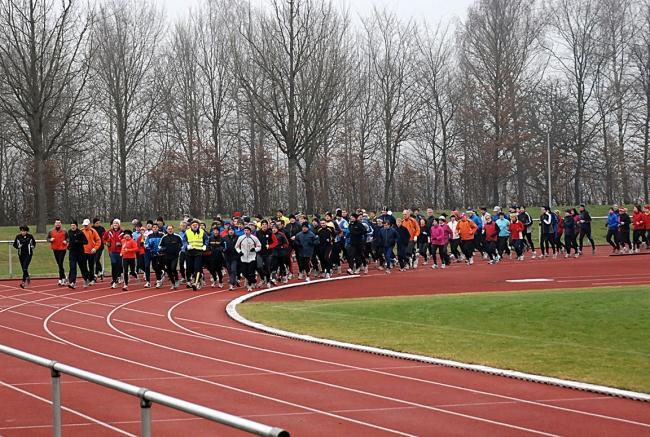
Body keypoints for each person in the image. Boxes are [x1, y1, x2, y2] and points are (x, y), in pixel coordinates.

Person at [236, 225, 261, 291]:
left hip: (252, 257)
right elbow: (236, 247)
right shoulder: (241, 238)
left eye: (247, 230)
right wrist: (239, 251)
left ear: (250, 231)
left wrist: (255, 249)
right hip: (243, 258)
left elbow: (259, 246)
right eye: (245, 230)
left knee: (250, 272)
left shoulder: (254, 238)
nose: (246, 232)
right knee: (244, 273)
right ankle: (254, 281)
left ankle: (249, 286)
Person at [159, 224, 183, 290]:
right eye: (168, 229)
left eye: (171, 229)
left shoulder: (177, 237)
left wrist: (179, 251)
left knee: (173, 268)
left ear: (173, 229)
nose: (170, 230)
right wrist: (162, 249)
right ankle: (173, 283)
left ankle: (177, 279)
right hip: (166, 256)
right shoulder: (164, 237)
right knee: (169, 270)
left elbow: (182, 245)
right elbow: (160, 246)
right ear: (166, 230)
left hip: (175, 256)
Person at [185, 219, 207, 291]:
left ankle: (196, 282)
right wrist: (186, 245)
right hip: (190, 252)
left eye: (196, 225)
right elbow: (183, 241)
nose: (195, 226)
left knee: (197, 267)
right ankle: (197, 278)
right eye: (193, 225)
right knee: (190, 267)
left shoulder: (202, 232)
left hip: (199, 252)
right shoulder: (187, 232)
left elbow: (206, 240)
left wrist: (205, 246)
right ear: (191, 226)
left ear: (198, 226)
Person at [67, 220, 88, 289]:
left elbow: (86, 242)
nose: (72, 227)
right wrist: (68, 245)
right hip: (72, 253)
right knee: (72, 268)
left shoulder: (80, 233)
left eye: (74, 226)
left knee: (83, 268)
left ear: (76, 226)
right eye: (71, 225)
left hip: (80, 253)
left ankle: (85, 279)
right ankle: (72, 282)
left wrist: (78, 242)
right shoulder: (69, 232)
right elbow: (68, 240)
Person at [103, 219, 125, 289]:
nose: (115, 224)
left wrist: (121, 243)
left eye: (116, 223)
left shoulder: (122, 232)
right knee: (113, 265)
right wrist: (106, 242)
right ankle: (114, 281)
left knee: (119, 265)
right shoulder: (109, 232)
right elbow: (103, 238)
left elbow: (127, 239)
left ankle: (119, 276)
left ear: (119, 224)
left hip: (120, 251)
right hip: (112, 251)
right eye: (114, 223)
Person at [81, 219, 101, 286]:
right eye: (84, 225)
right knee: (83, 266)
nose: (85, 226)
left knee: (91, 266)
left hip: (91, 252)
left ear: (89, 225)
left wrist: (95, 248)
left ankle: (91, 279)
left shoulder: (93, 231)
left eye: (86, 225)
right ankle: (86, 278)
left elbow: (98, 240)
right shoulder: (81, 231)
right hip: (83, 252)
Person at [48, 219, 68, 286]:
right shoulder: (51, 231)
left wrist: (66, 241)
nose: (58, 224)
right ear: (54, 224)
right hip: (55, 249)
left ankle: (61, 279)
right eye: (56, 223)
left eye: (59, 223)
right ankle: (63, 277)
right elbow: (47, 238)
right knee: (59, 264)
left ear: (61, 224)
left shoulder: (64, 231)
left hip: (62, 249)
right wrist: (50, 239)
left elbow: (68, 238)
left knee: (60, 263)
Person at [146, 224, 165, 288]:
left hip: (160, 254)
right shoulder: (149, 236)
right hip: (153, 253)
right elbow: (146, 244)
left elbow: (164, 243)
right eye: (153, 227)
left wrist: (161, 249)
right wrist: (148, 246)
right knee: (154, 267)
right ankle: (161, 272)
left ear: (158, 228)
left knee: (157, 267)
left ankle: (158, 281)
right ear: (152, 229)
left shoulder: (162, 235)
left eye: (156, 227)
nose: (155, 228)